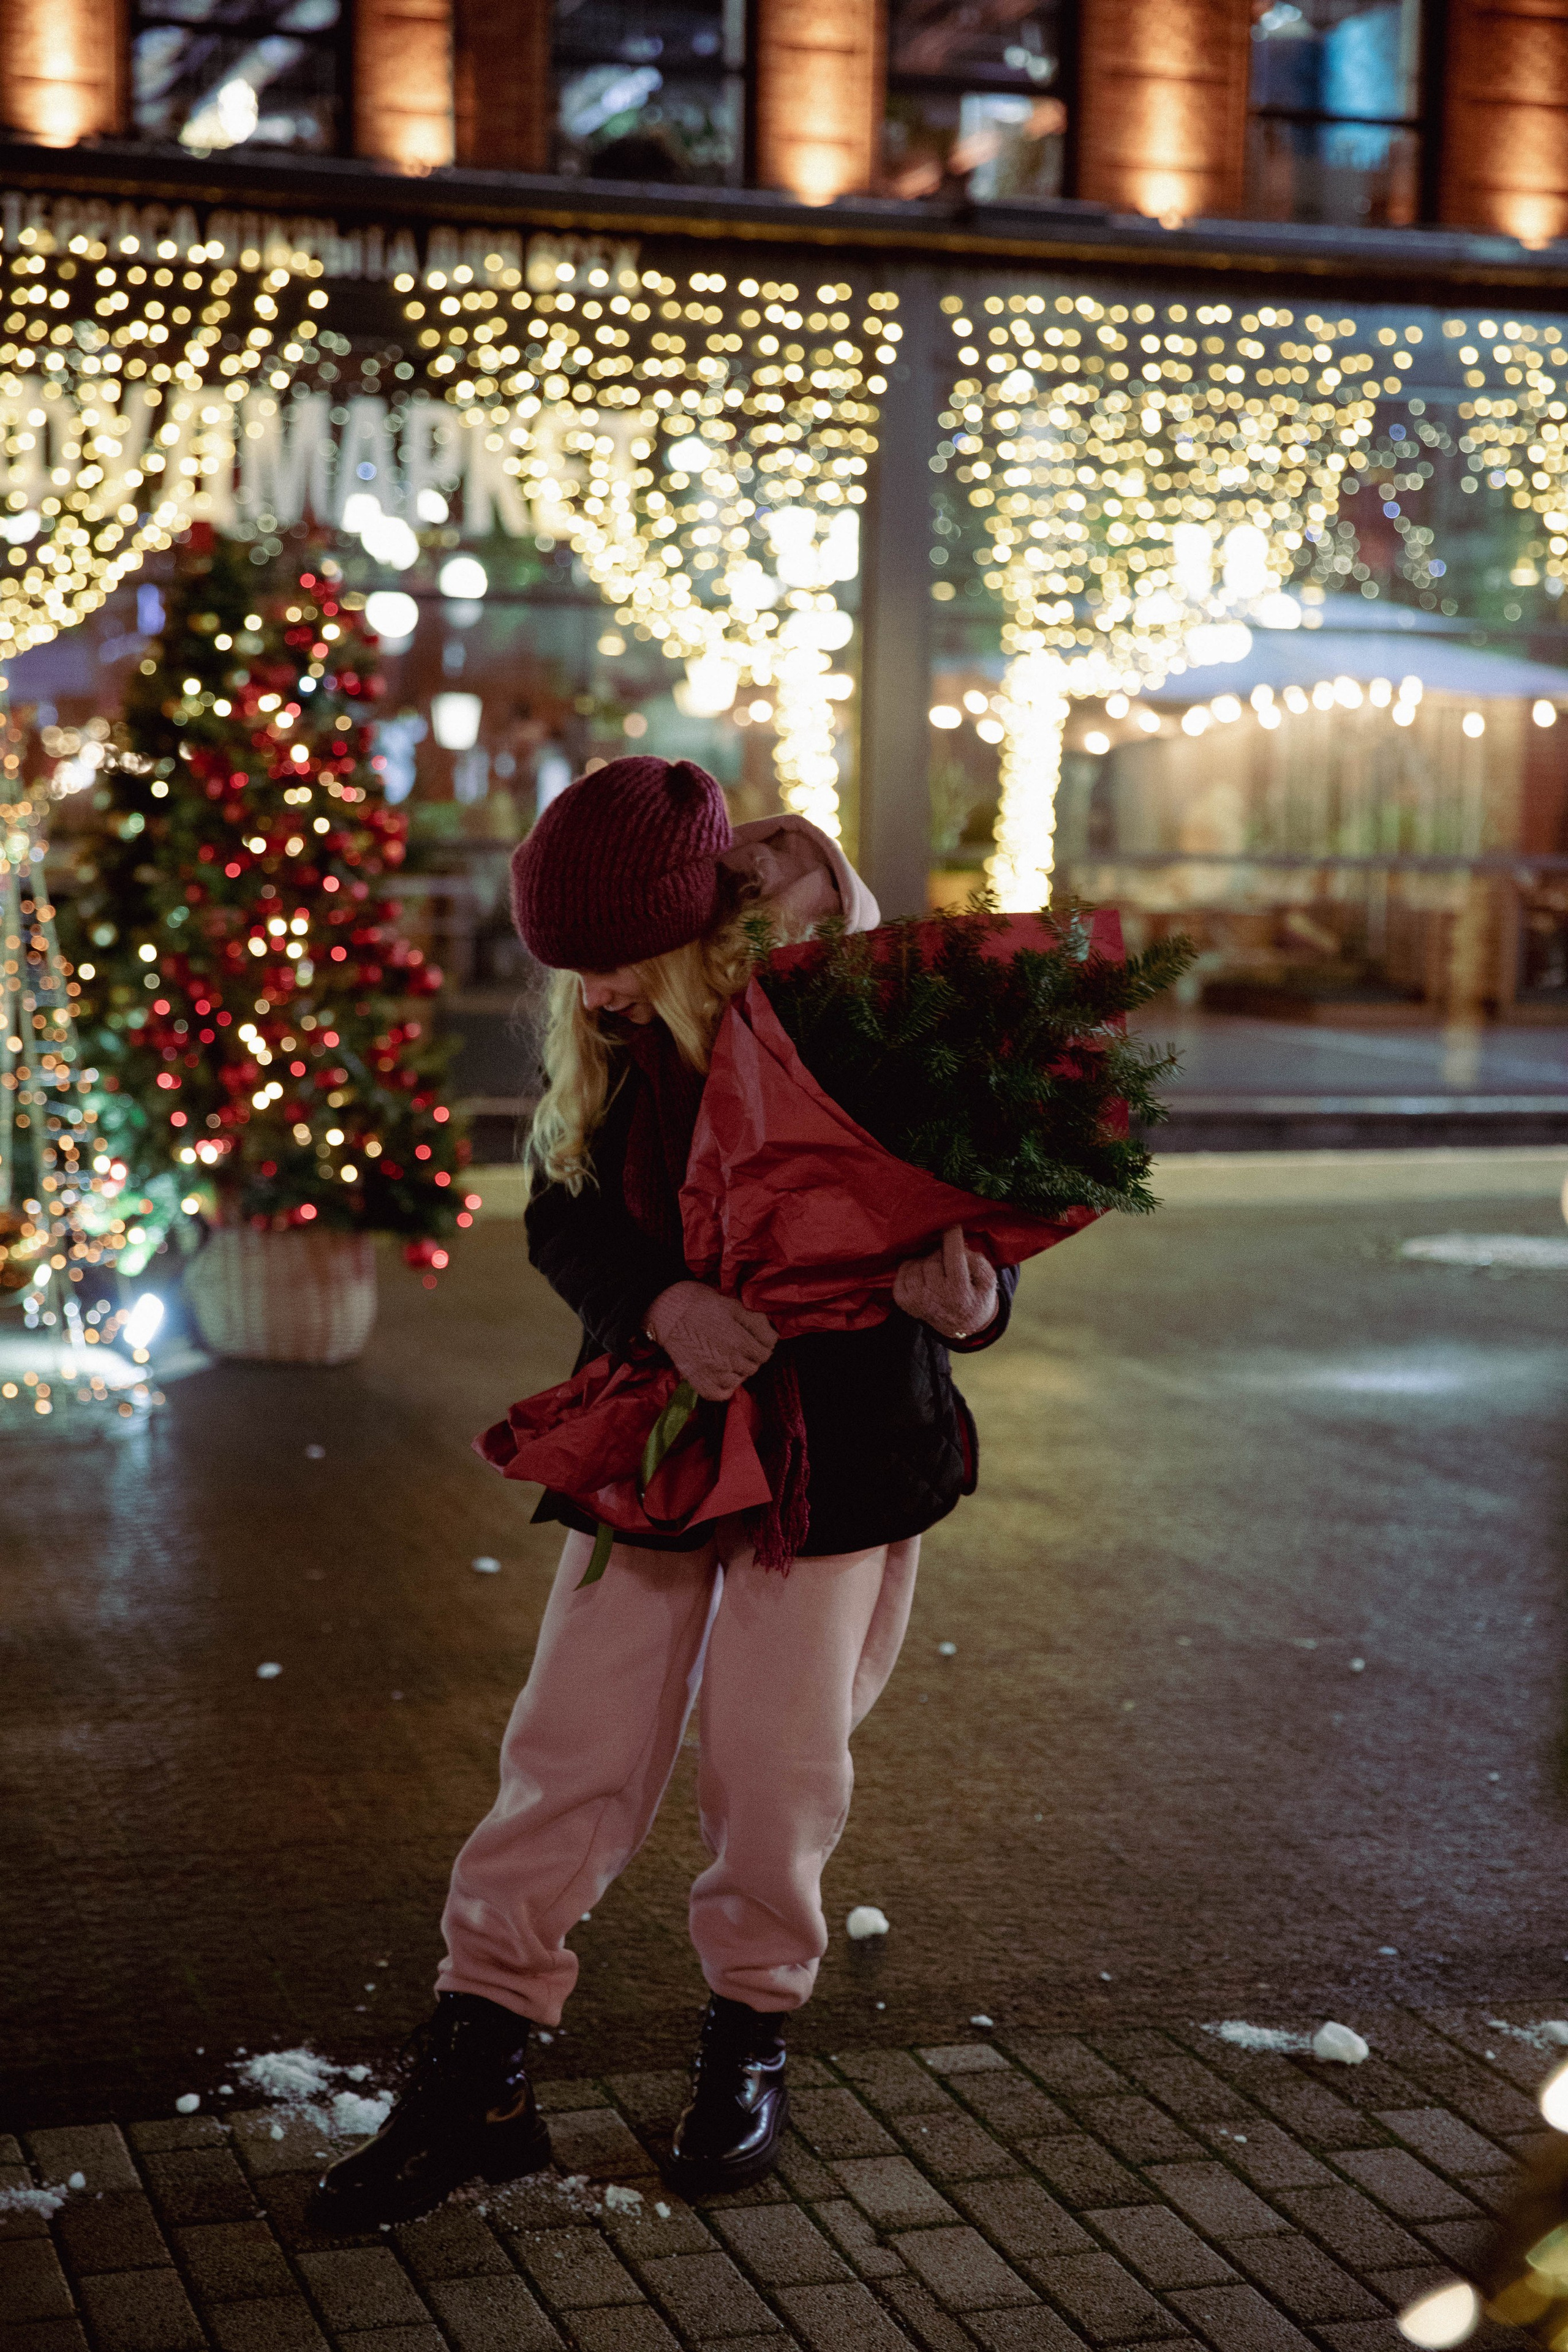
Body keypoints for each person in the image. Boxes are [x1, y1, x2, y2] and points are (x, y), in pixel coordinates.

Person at [312, 756, 1017, 2229]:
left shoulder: (856, 1016)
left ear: (697, 927)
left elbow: (965, 1228)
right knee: (565, 1745)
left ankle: (749, 2034)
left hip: (833, 1453)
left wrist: (968, 1300)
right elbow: (561, 1209)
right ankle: (481, 2058)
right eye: (575, 976)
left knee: (773, 1770)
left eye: (619, 968)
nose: (600, 999)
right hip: (653, 1435)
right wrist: (662, 1304)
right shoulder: (614, 1024)